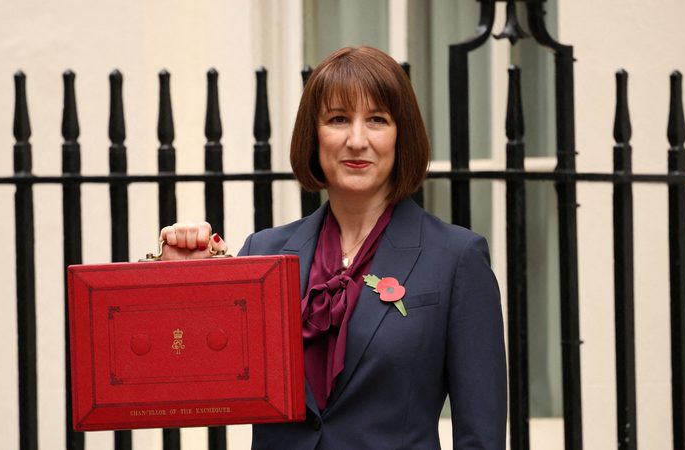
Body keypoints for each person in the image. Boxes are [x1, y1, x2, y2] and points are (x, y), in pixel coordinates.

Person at [160, 46, 506, 449]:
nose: (356, 140)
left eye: (377, 120)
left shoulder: (456, 259)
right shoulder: (264, 252)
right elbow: (194, 378)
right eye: (338, 119)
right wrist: (180, 282)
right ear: (314, 135)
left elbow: (480, 436)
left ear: (401, 135)